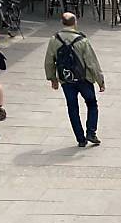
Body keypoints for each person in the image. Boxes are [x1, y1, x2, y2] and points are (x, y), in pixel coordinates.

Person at [43, 12, 104, 148]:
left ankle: (80, 139)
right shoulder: (82, 40)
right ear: (75, 22)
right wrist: (100, 80)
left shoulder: (55, 40)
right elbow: (91, 62)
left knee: (72, 108)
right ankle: (91, 132)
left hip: (66, 80)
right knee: (92, 104)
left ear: (62, 23)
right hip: (84, 80)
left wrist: (53, 78)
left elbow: (49, 61)